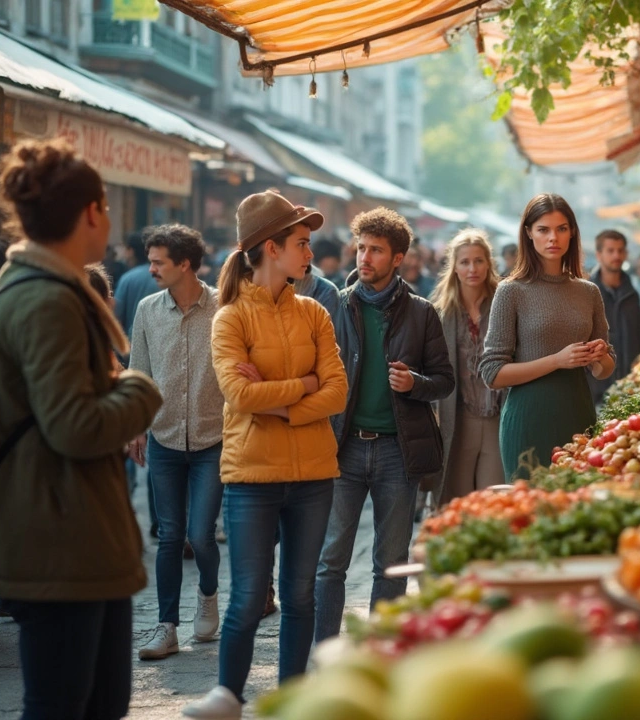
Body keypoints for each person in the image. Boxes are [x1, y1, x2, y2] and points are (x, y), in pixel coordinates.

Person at [0, 138, 163, 719]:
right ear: (91, 212)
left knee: (98, 702)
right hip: (57, 536)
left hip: (74, 533)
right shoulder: (43, 299)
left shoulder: (44, 286)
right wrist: (139, 388)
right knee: (62, 706)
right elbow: (75, 426)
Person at [184, 191, 347, 719]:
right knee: (250, 596)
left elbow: (338, 392)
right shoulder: (229, 318)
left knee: (301, 597)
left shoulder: (316, 312)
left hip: (314, 475)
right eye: (302, 243)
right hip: (252, 476)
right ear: (271, 247)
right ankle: (228, 696)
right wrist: (303, 385)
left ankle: (290, 702)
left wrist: (283, 405)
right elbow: (239, 395)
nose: (310, 252)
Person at [314, 207, 453, 642]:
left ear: (398, 259)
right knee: (330, 558)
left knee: (391, 561)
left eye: (376, 250)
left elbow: (444, 381)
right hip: (343, 446)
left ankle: (381, 651)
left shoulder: (421, 312)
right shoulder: (333, 305)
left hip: (398, 450)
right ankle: (322, 651)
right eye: (361, 248)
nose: (364, 258)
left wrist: (415, 383)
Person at [124, 224, 226, 662]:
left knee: (201, 535)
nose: (151, 270)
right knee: (169, 536)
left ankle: (207, 595)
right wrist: (134, 425)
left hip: (213, 439)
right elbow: (138, 372)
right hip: (164, 436)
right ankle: (167, 627)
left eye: (158, 261)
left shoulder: (224, 306)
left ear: (184, 263)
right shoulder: (147, 309)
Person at [479, 193, 614, 480]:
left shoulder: (588, 291)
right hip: (528, 418)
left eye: (561, 229)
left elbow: (605, 370)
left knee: (578, 510)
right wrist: (556, 360)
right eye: (543, 229)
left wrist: (599, 355)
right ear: (528, 234)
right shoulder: (511, 291)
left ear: (572, 233)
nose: (553, 237)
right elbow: (491, 373)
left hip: (578, 413)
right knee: (530, 514)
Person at [431, 228, 507, 502]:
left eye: (478, 260)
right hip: (458, 420)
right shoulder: (440, 312)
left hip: (499, 416)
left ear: (489, 263)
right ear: (454, 267)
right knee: (456, 504)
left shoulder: (505, 303)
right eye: (464, 262)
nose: (472, 268)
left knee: (495, 502)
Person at [589, 230, 640, 403]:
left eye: (620, 250)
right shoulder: (587, 292)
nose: (616, 255)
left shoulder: (632, 292)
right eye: (611, 250)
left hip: (629, 386)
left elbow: (639, 333)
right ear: (599, 255)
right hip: (597, 389)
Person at [112, 232, 155, 344]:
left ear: (131, 251)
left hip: (133, 348)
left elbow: (116, 315)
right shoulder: (166, 276)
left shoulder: (127, 279)